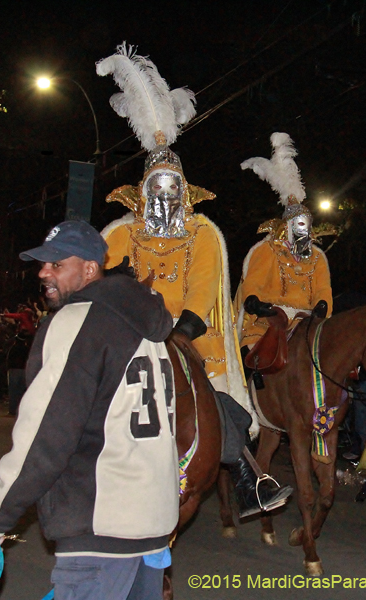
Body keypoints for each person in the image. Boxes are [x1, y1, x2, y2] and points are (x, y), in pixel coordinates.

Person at [96, 44, 288, 517]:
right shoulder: (120, 232)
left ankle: (248, 475)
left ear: (185, 193)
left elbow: (203, 289)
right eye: (155, 188)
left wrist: (182, 330)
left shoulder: (203, 233)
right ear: (142, 192)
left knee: (216, 399)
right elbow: (104, 284)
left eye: (172, 188)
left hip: (188, 331)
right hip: (130, 328)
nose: (164, 195)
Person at [0, 220, 178, 600]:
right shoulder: (150, 326)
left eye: (56, 263)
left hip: (100, 529)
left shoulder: (74, 322)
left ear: (89, 269)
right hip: (152, 530)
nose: (43, 272)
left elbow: (45, 436)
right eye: (42, 264)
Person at [234, 132, 333, 351]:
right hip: (269, 319)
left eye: (306, 225)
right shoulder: (268, 250)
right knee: (254, 353)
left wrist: (322, 304)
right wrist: (254, 300)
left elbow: (323, 288)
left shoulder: (317, 258)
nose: (303, 230)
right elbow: (254, 282)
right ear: (287, 228)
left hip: (305, 323)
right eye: (298, 225)